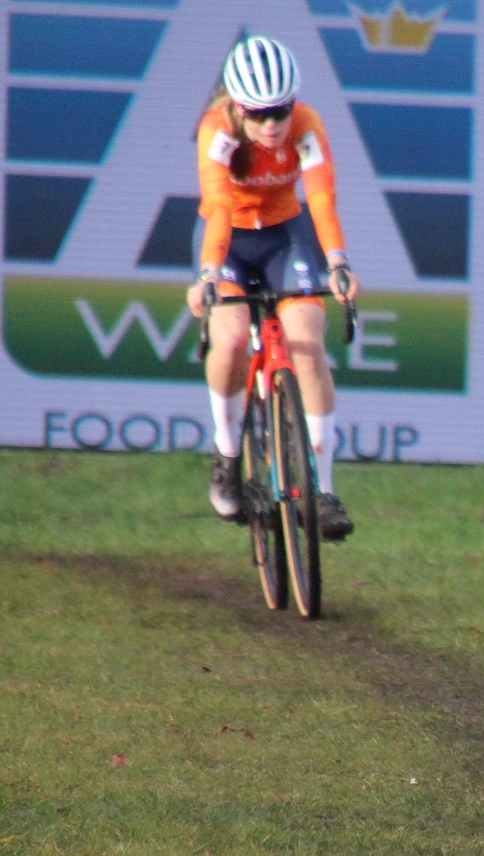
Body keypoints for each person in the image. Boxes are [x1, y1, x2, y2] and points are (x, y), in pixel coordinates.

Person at [185, 36, 359, 541]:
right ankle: (227, 455)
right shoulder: (217, 129)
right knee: (232, 338)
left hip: (286, 234)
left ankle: (323, 491)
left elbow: (321, 199)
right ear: (238, 109)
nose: (271, 124)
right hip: (228, 241)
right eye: (259, 114)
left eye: (281, 110)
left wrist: (338, 262)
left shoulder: (307, 126)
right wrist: (209, 274)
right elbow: (219, 205)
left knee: (307, 341)